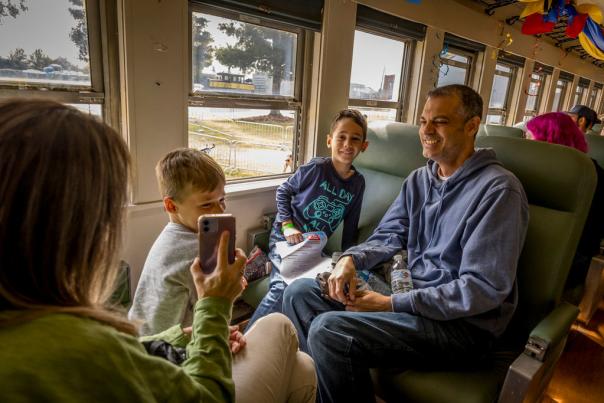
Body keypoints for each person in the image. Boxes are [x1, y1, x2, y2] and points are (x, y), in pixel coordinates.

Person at [0, 100, 316, 403]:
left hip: (158, 339)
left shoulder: (37, 324)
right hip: (186, 373)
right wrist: (217, 307)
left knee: (302, 369)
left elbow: (131, 349)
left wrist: (182, 336)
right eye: (105, 212)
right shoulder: (79, 345)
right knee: (280, 327)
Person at [282, 85, 529, 403]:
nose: (425, 130)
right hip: (407, 295)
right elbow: (388, 236)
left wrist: (391, 304)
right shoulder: (419, 180)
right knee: (299, 294)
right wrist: (350, 260)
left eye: (438, 121)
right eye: (423, 121)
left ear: (472, 126)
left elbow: (482, 288)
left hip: (461, 327)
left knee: (330, 331)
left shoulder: (498, 191)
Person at [129, 147, 317, 402]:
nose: (219, 210)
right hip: (176, 367)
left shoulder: (170, 239)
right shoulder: (194, 254)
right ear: (171, 205)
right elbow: (211, 311)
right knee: (280, 324)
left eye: (222, 200)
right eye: (207, 203)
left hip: (162, 344)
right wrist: (229, 296)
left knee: (303, 366)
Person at [246, 109, 369, 329]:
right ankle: (247, 340)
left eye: (355, 139)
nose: (347, 144)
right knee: (281, 286)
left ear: (364, 146)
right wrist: (288, 226)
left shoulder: (358, 183)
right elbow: (283, 191)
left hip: (313, 245)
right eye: (341, 137)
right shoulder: (316, 168)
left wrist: (348, 259)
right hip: (287, 239)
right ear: (330, 141)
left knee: (318, 286)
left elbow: (351, 225)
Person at [526, 112, 604, 292]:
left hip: (568, 260)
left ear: (550, 139)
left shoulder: (593, 177)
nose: (526, 143)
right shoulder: (528, 170)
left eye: (531, 137)